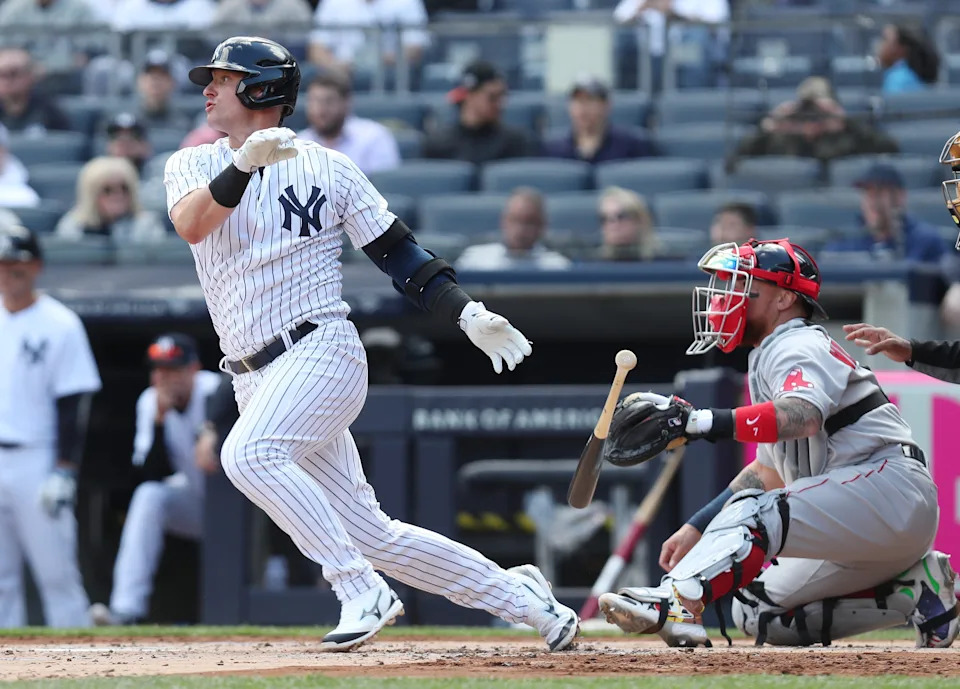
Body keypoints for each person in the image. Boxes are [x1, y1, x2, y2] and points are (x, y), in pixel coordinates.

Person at [162, 36, 578, 652]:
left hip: (320, 349)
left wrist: (465, 315)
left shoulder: (328, 167)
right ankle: (527, 600)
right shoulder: (190, 164)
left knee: (247, 456)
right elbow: (194, 225)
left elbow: (398, 253)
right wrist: (244, 163)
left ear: (260, 90)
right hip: (252, 373)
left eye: (222, 78)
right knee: (374, 532)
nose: (208, 89)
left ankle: (359, 588)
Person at [595, 237, 958, 649]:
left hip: (887, 489)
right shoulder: (769, 353)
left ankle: (677, 601)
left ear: (784, 297)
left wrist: (699, 422)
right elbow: (765, 472)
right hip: (858, 516)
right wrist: (698, 527)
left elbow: (802, 416)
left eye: (740, 285)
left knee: (757, 511)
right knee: (756, 611)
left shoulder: (796, 342)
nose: (725, 298)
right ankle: (917, 590)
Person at [0, 221, 101, 627]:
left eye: (17, 266)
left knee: (57, 575)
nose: (8, 274)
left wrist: (65, 468)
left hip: (37, 458)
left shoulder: (60, 323)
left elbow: (74, 402)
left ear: (37, 266)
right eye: (3, 266)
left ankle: (77, 673)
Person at [89, 333, 220, 625]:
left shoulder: (216, 389)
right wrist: (160, 421)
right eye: (159, 369)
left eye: (173, 369)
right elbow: (151, 472)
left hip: (245, 507)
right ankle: (126, 609)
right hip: (197, 503)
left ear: (193, 369)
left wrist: (211, 430)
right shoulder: (150, 402)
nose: (165, 377)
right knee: (149, 495)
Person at [732, 77, 897, 164]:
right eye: (807, 108)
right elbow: (738, 156)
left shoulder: (849, 135)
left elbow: (890, 147)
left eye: (820, 109)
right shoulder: (783, 136)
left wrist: (845, 123)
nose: (813, 115)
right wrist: (769, 126)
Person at [820, 162, 946, 263]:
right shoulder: (845, 240)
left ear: (900, 197)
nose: (873, 202)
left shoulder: (925, 241)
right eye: (868, 195)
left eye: (879, 193)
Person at [422, 60, 535, 165]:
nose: (500, 104)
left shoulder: (516, 143)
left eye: (502, 96)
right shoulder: (438, 144)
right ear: (469, 96)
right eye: (492, 97)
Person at [297, 71, 400, 175]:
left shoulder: (374, 136)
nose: (320, 110)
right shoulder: (298, 142)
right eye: (314, 101)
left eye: (329, 101)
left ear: (347, 102)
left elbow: (383, 185)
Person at [542, 76, 652, 164]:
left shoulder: (631, 145)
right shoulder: (553, 149)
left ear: (606, 105)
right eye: (577, 101)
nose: (583, 108)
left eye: (590, 100)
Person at [455, 187, 571, 271]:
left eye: (529, 222)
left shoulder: (557, 267)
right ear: (503, 221)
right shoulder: (474, 261)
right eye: (515, 220)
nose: (520, 229)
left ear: (542, 226)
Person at [54, 156, 166, 242]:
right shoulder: (72, 227)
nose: (118, 195)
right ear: (91, 195)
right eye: (107, 190)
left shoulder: (148, 226)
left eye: (124, 188)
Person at [0, 47, 69, 135]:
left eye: (13, 74)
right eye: (1, 74)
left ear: (30, 75)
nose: (6, 81)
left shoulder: (51, 112)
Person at [595, 186, 660, 261]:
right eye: (604, 218)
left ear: (639, 220)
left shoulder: (664, 259)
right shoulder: (593, 263)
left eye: (621, 216)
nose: (612, 225)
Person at [877, 23, 939, 95]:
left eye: (885, 39)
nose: (879, 45)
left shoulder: (897, 80)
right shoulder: (911, 75)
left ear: (900, 48)